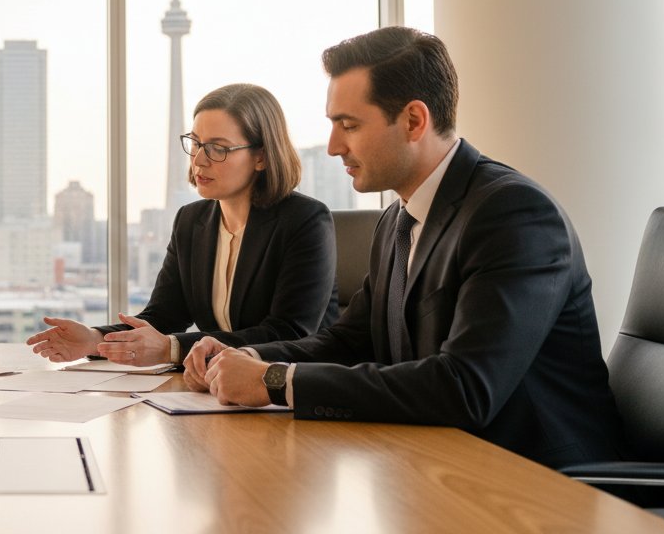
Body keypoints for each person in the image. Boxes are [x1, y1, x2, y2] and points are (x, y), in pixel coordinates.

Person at [185, 28, 624, 468]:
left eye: (349, 125)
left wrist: (277, 381)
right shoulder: (398, 219)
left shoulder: (514, 214)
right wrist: (247, 357)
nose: (335, 146)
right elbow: (350, 340)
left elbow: (464, 387)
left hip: (540, 482)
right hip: (435, 466)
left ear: (414, 121)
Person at [26, 84, 337, 367]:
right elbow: (163, 317)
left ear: (262, 157)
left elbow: (288, 332)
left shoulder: (305, 220)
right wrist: (95, 339)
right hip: (220, 390)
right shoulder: (192, 221)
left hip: (293, 391)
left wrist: (172, 349)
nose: (199, 160)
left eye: (219, 148)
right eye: (197, 143)